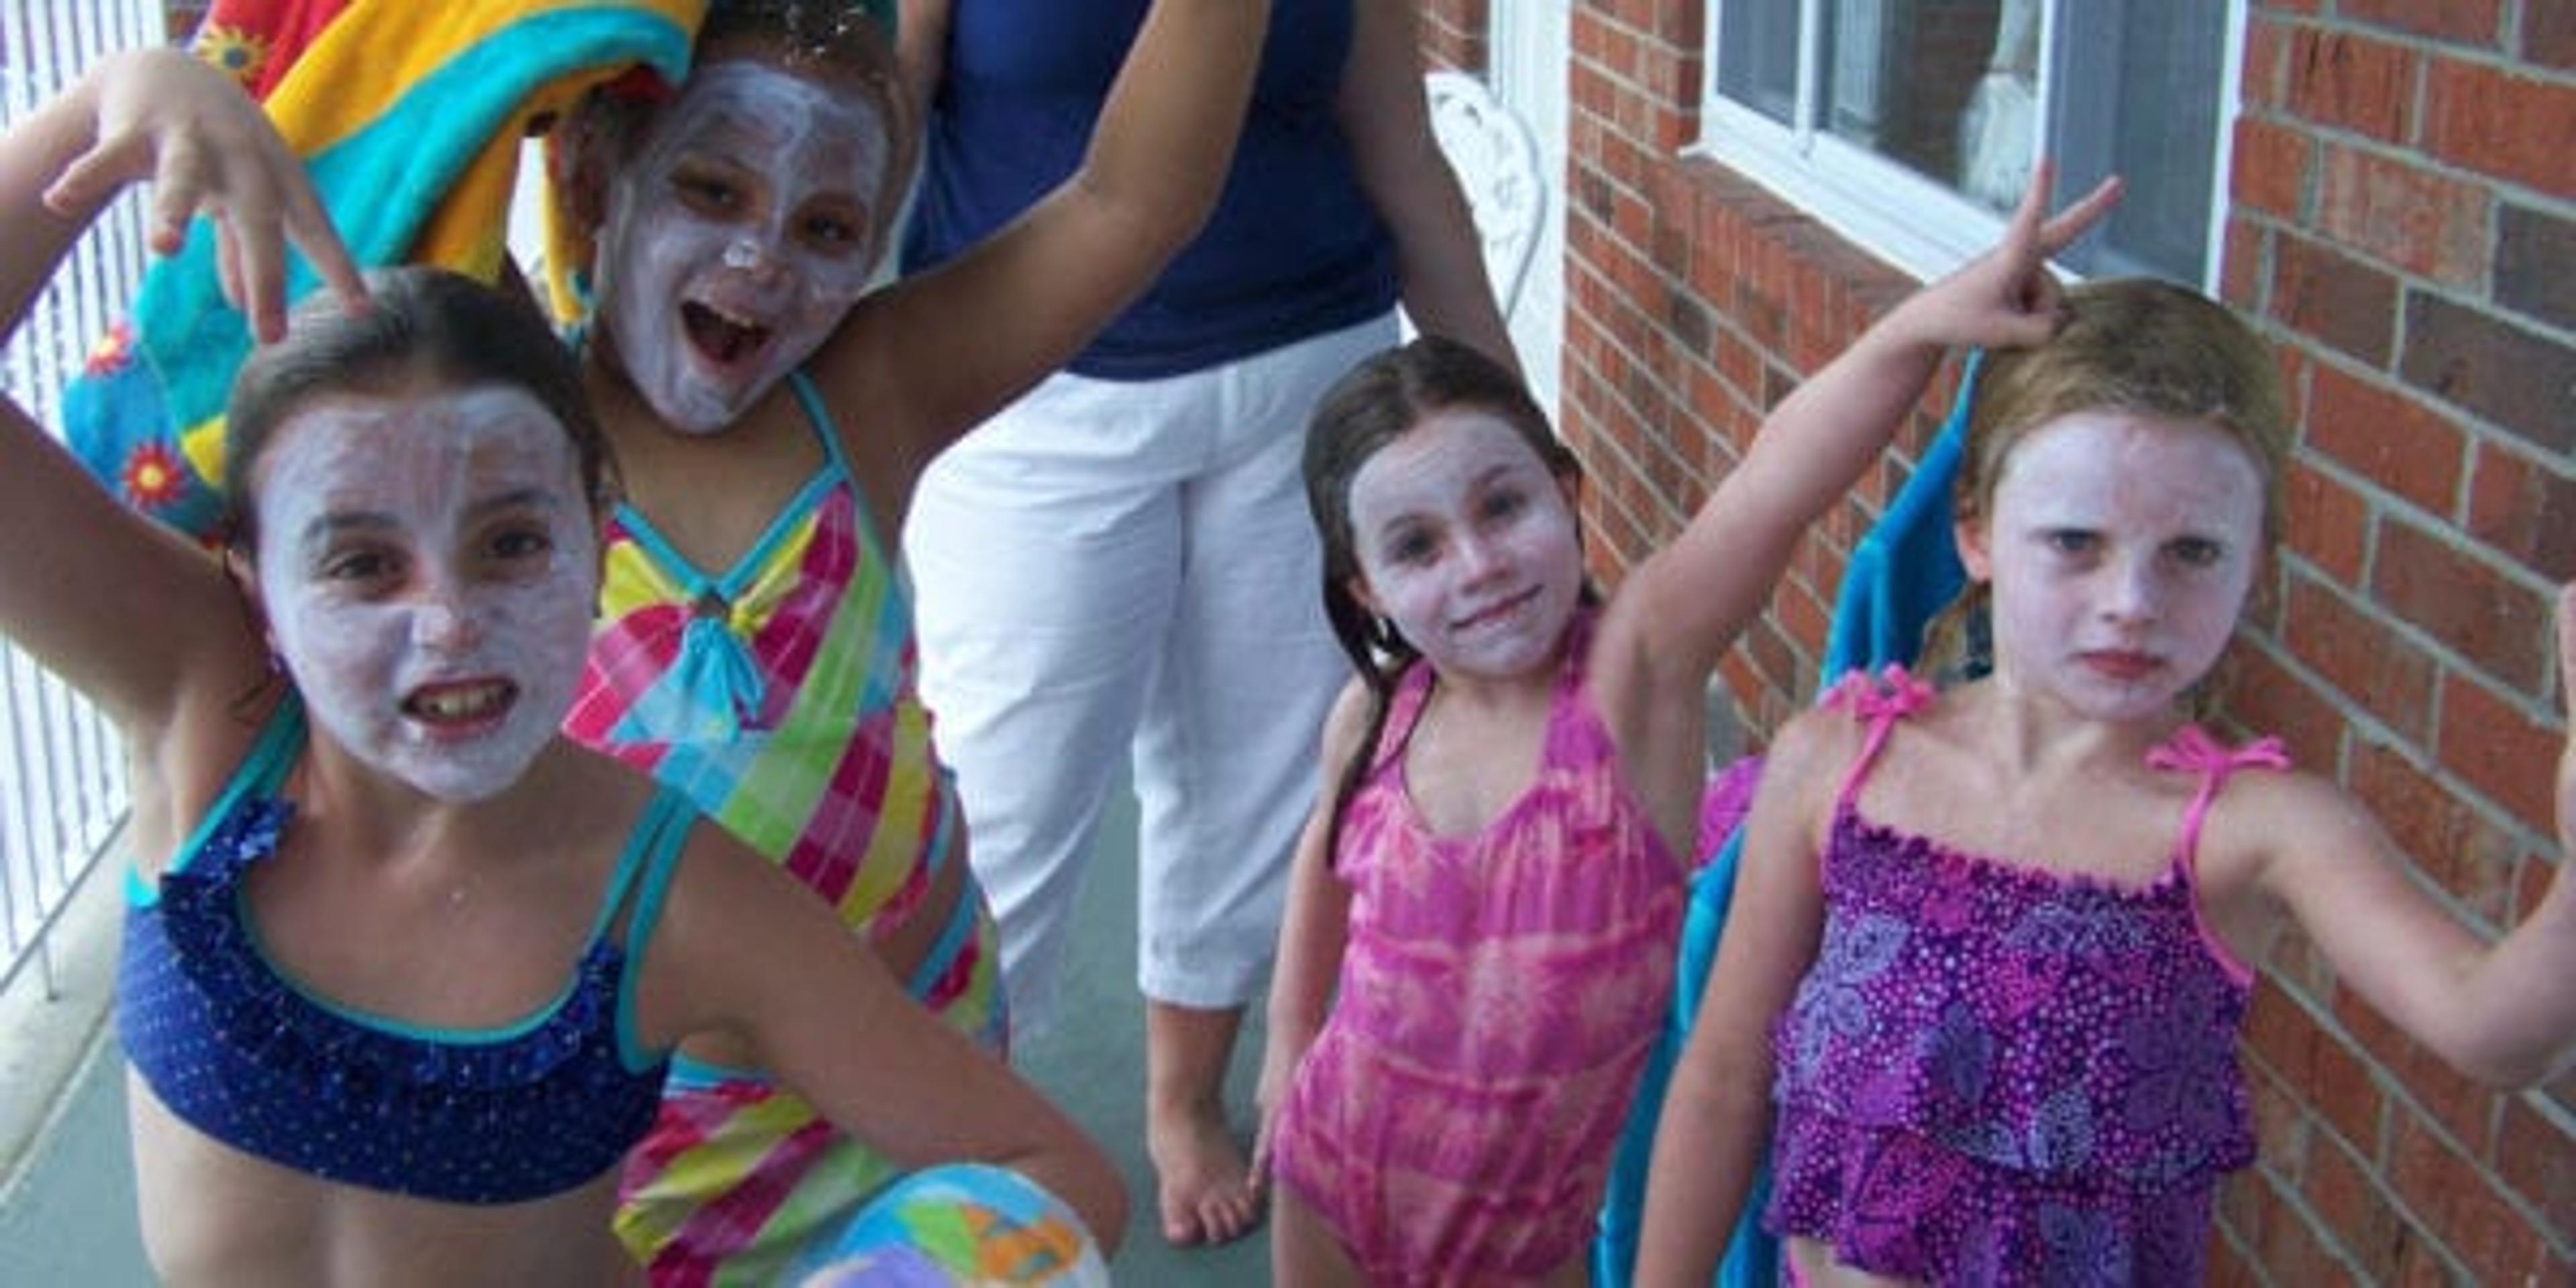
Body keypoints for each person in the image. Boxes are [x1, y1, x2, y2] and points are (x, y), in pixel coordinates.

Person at [0, 48, 1125, 1285]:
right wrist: (102, 112)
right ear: (253, 574)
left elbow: (1047, 1166)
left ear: (599, 544)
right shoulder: (196, 713)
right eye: (365, 565)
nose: (448, 621)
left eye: (512, 544)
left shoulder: (672, 891)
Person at [1251, 172, 2125, 1286]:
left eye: (1503, 507)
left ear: (1567, 494)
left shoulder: (1631, 680)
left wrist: (1926, 323)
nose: (1475, 566)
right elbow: (1321, 869)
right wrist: (1286, 1038)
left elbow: (1777, 481)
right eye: (1416, 548)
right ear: (1366, 589)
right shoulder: (1375, 716)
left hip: (1525, 1240)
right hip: (1332, 1172)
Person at [1631, 276, 2576, 1283]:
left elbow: (2497, 1032)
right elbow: (1725, 1078)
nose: (2132, 602)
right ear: (1978, 534)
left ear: (2256, 564)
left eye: (2192, 553)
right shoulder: (1839, 766)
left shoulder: (2252, 832)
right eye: (2076, 542)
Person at [539, 0, 1272, 1279]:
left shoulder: (868, 391)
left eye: (827, 227)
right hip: (651, 1152)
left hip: (925, 1082)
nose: (764, 259)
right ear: (595, 177)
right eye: (711, 188)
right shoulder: (500, 440)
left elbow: (1130, 204)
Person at [894, 0, 1517, 1245]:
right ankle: (940, 1144)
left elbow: (1400, 154)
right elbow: (876, 119)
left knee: (1256, 781)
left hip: (1306, 378)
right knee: (1004, 797)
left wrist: (1520, 436)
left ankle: (1183, 1101)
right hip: (1035, 397)